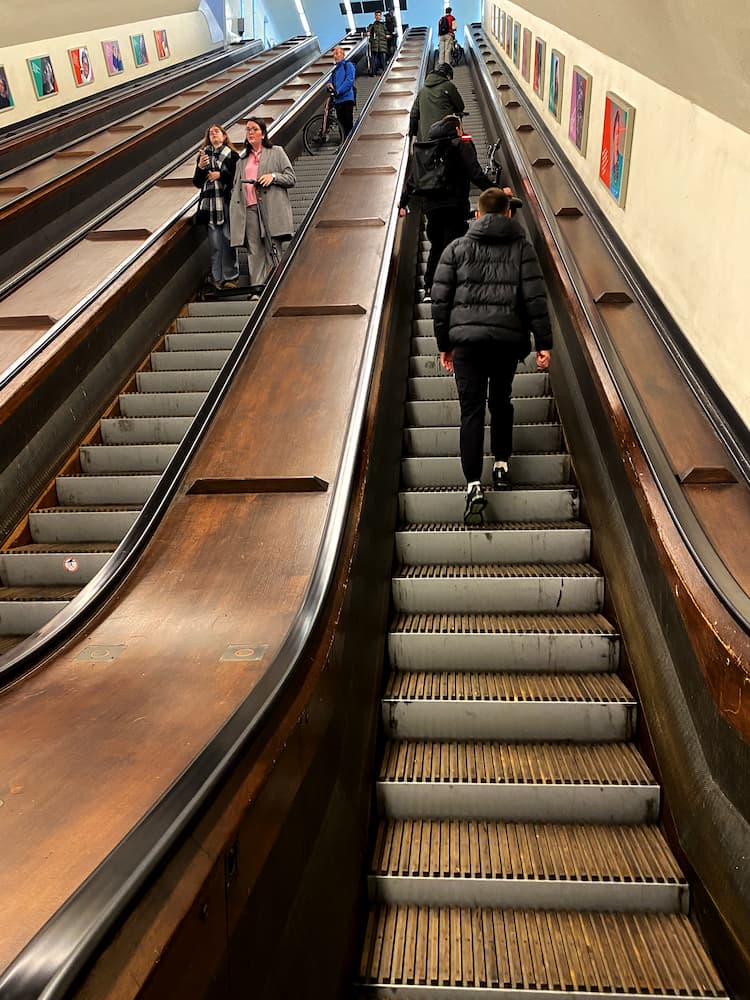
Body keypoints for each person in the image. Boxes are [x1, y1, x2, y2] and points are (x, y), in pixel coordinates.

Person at [431, 187, 553, 525]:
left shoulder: (456, 248)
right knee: (501, 401)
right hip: (505, 342)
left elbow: (441, 301)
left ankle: (473, 485)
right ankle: (501, 465)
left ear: (478, 214)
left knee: (471, 411)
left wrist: (444, 344)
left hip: (467, 345)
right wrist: (544, 343)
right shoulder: (522, 249)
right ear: (509, 213)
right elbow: (535, 299)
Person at [401, 114, 494, 298]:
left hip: (432, 208)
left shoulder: (428, 150)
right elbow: (475, 174)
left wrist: (403, 203)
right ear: (457, 129)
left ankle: (429, 288)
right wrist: (496, 190)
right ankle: (455, 288)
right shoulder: (460, 145)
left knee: (437, 246)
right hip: (455, 205)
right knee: (455, 246)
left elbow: (413, 181)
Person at [229, 117, 295, 294]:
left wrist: (273, 176)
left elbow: (291, 178)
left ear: (263, 133)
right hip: (248, 209)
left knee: (272, 247)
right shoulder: (241, 161)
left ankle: (276, 288)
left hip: (270, 209)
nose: (250, 132)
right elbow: (236, 188)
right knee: (254, 251)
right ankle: (257, 290)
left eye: (254, 129)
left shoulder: (276, 152)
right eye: (248, 129)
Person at [193, 124, 240, 289]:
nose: (213, 134)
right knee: (214, 243)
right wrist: (200, 167)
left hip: (226, 201)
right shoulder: (203, 156)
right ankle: (216, 278)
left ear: (224, 136)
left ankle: (230, 277)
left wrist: (221, 175)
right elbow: (197, 183)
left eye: (216, 131)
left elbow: (237, 177)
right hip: (210, 205)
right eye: (210, 133)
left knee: (227, 239)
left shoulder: (232, 155)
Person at [408, 62, 464, 142]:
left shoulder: (422, 91)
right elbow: (460, 106)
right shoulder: (448, 86)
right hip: (446, 136)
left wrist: (413, 135)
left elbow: (413, 115)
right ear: (447, 75)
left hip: (427, 139)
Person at [327, 46, 356, 139]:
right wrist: (329, 85)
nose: (335, 56)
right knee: (341, 125)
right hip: (338, 101)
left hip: (347, 99)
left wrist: (338, 91)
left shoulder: (348, 65)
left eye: (337, 53)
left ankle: (349, 145)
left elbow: (349, 81)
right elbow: (329, 81)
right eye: (334, 54)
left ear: (343, 55)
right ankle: (344, 144)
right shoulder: (334, 70)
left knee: (348, 123)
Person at [369, 11, 389, 77]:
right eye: (376, 15)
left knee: (383, 58)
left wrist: (388, 35)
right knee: (374, 59)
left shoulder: (383, 25)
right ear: (375, 16)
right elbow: (369, 32)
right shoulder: (372, 25)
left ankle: (385, 72)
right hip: (375, 44)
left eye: (379, 15)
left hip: (382, 44)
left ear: (380, 16)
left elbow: (387, 32)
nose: (378, 17)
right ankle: (373, 72)